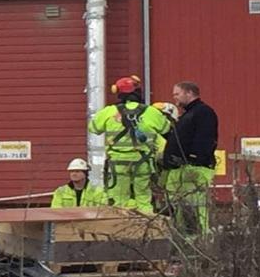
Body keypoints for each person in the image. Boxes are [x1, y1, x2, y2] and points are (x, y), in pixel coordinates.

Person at [88, 76, 170, 214]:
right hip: (142, 162)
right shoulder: (151, 111)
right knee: (143, 198)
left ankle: (121, 229)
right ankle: (147, 227)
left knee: (119, 200)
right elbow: (166, 129)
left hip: (118, 164)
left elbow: (94, 128)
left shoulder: (109, 111)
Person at [162, 82, 219, 235]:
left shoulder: (203, 112)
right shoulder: (188, 115)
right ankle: (185, 237)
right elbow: (182, 139)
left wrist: (194, 159)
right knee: (180, 207)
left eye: (177, 94)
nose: (174, 98)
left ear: (189, 93)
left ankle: (200, 239)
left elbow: (205, 138)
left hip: (195, 168)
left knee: (195, 206)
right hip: (182, 168)